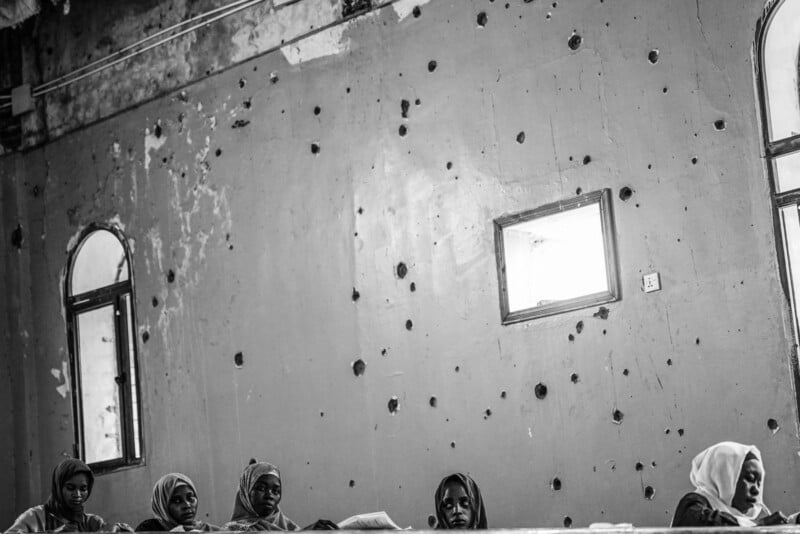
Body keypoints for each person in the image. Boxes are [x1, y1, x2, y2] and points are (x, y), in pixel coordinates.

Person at [671, 441, 793, 526]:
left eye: (759, 483)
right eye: (750, 478)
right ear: (724, 476)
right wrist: (761, 525)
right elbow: (702, 524)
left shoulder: (742, 522)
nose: (756, 490)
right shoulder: (693, 504)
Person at [5, 458, 131, 533]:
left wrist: (117, 528)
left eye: (83, 489)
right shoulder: (35, 517)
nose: (77, 495)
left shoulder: (92, 523)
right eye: (70, 488)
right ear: (58, 487)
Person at [222, 461, 337, 531]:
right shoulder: (231, 530)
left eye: (276, 491)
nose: (269, 495)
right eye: (261, 488)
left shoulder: (288, 527)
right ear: (245, 493)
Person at [135, 473, 219, 532]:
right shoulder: (148, 529)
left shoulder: (207, 530)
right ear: (162, 504)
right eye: (177, 501)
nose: (187, 505)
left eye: (190, 498)